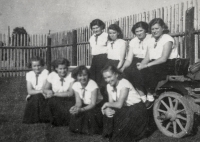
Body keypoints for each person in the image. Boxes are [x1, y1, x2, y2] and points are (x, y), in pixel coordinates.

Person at [137, 18, 179, 108]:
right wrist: (142, 64)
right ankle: (143, 97)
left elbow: (164, 58)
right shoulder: (151, 40)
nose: (154, 31)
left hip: (168, 64)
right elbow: (147, 57)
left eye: (157, 28)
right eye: (152, 29)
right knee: (134, 70)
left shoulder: (167, 39)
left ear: (163, 28)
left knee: (149, 70)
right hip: (155, 63)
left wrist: (146, 65)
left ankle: (150, 97)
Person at [101, 65, 148, 142]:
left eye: (109, 77)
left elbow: (119, 104)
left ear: (116, 74)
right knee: (109, 113)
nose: (107, 80)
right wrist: (107, 109)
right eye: (105, 78)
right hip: (126, 109)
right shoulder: (108, 86)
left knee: (122, 136)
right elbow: (111, 103)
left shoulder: (124, 83)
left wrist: (106, 104)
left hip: (137, 110)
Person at [120, 21, 151, 107]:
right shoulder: (133, 41)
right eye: (137, 31)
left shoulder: (151, 38)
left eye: (141, 31)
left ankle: (149, 94)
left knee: (139, 72)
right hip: (136, 60)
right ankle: (142, 97)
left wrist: (142, 65)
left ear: (145, 30)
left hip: (148, 60)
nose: (139, 33)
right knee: (126, 72)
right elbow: (129, 59)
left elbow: (149, 56)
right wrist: (123, 68)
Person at [69, 65, 103, 134]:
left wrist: (81, 110)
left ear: (88, 75)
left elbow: (93, 104)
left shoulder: (93, 84)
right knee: (76, 113)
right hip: (85, 104)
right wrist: (75, 108)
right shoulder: (76, 85)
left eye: (85, 75)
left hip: (96, 106)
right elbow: (78, 102)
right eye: (80, 75)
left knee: (89, 115)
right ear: (76, 77)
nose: (83, 78)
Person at [44, 58, 75, 126]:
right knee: (52, 102)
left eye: (65, 68)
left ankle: (65, 122)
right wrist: (49, 92)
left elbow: (70, 93)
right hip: (55, 98)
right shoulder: (52, 75)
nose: (63, 71)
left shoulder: (71, 76)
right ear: (56, 68)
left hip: (67, 98)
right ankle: (55, 122)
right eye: (60, 69)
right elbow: (45, 89)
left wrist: (54, 94)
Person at [23, 56, 51, 124]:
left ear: (42, 65)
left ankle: (41, 118)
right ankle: (33, 118)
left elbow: (46, 88)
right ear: (31, 66)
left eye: (39, 65)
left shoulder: (46, 73)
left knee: (39, 97)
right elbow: (29, 91)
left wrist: (41, 91)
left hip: (44, 94)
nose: (37, 68)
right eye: (34, 66)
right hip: (34, 94)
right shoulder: (29, 75)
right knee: (36, 97)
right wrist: (40, 91)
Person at [89, 19, 108, 101]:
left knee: (102, 80)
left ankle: (105, 98)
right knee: (93, 78)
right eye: (93, 28)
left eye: (97, 27)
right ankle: (96, 98)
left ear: (102, 27)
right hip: (95, 59)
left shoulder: (106, 35)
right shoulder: (92, 38)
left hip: (104, 58)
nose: (95, 30)